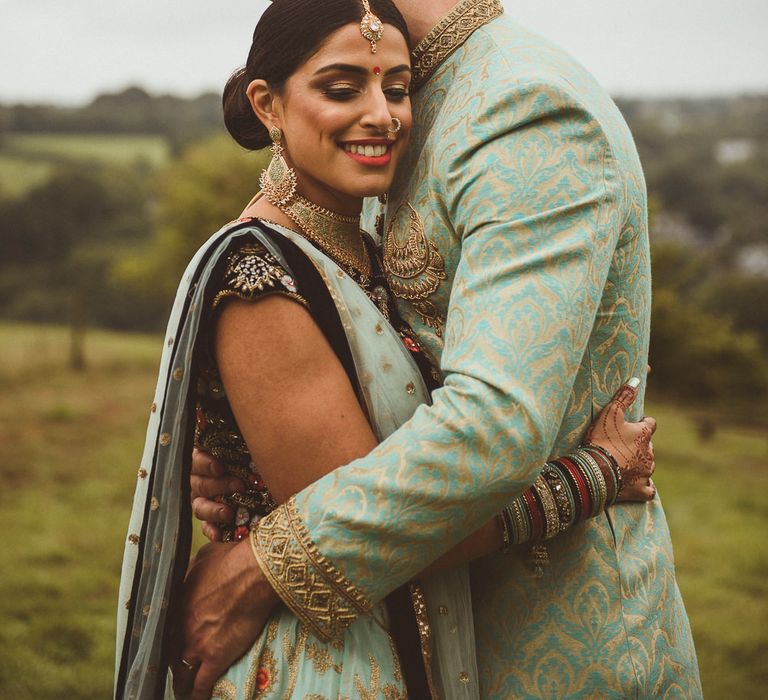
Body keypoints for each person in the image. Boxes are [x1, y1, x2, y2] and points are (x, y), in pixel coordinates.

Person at [116, 1, 698, 699]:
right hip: (339, 655)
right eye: (343, 88)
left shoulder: (518, 106)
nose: (382, 114)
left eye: (392, 90)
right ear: (268, 105)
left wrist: (262, 561)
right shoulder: (276, 253)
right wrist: (592, 475)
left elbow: (492, 428)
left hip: (549, 643)